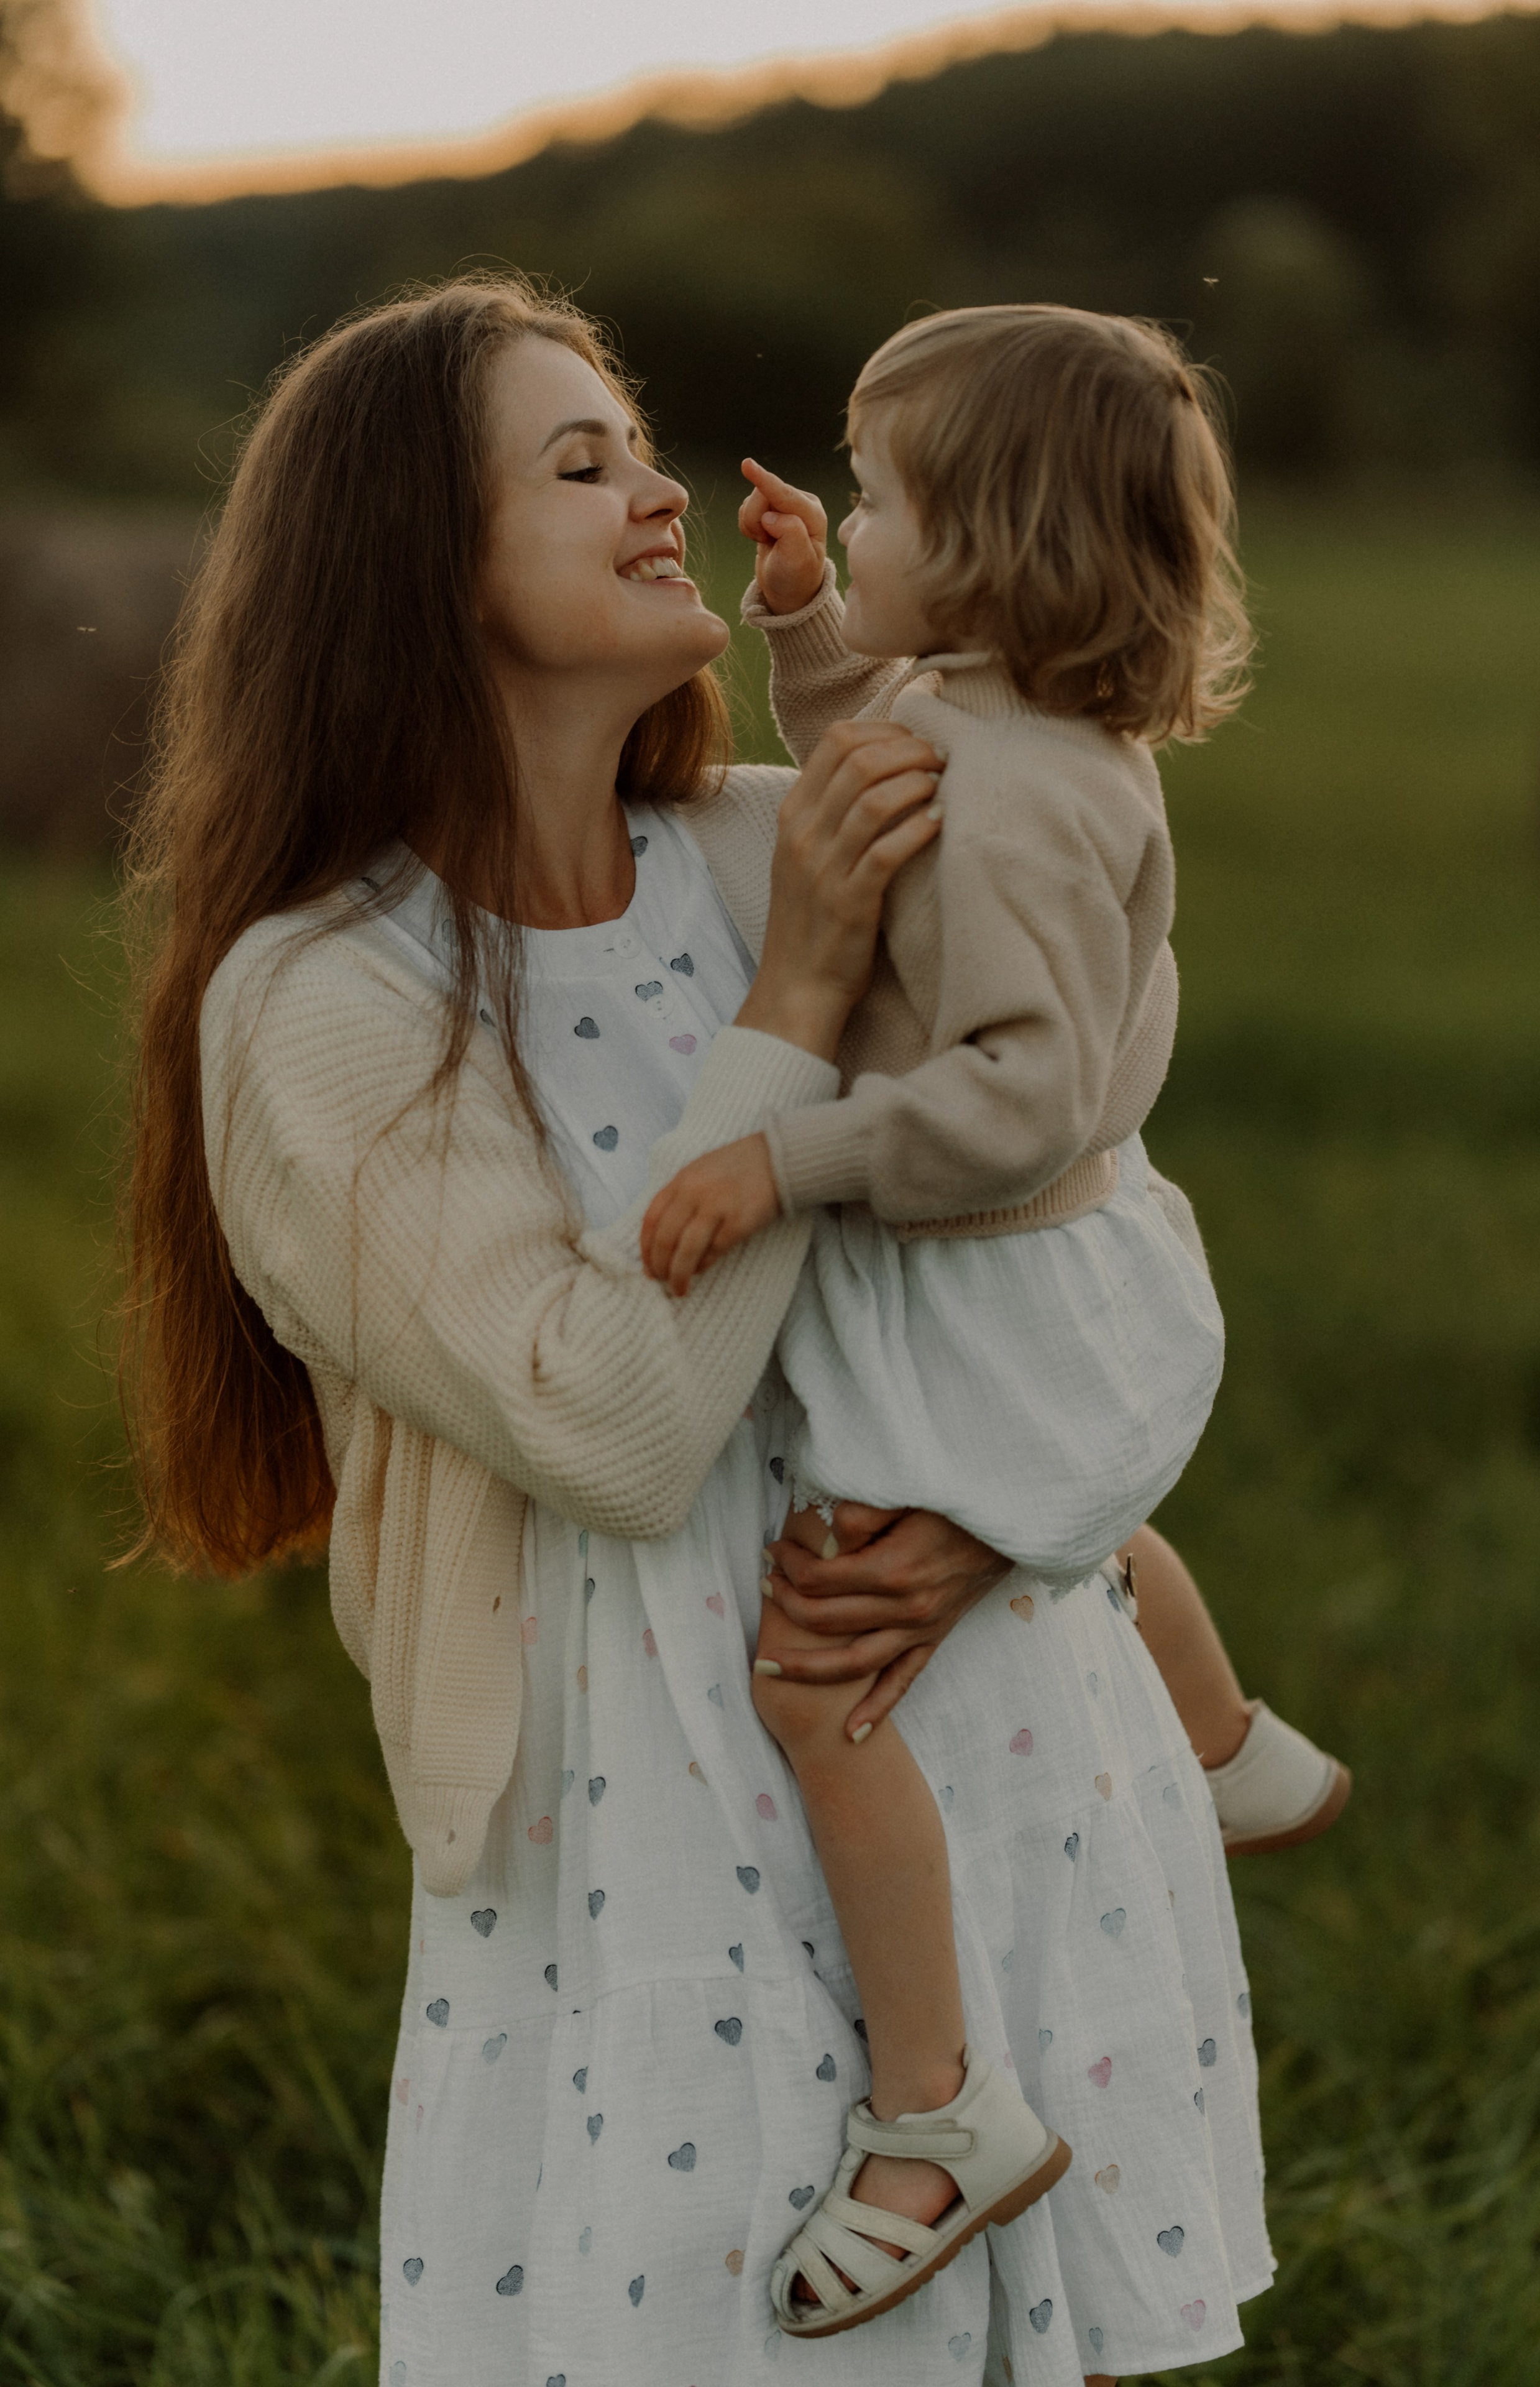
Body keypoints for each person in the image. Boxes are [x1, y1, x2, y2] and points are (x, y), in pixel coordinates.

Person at [122, 272, 1276, 2387]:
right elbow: (619, 1430)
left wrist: (1019, 1523)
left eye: (637, 444)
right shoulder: (322, 1005)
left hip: (973, 1737)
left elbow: (1091, 1217)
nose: (661, 494)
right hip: (641, 1813)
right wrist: (800, 1003)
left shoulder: (764, 847)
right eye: (581, 466)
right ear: (412, 564)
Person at [644, 305, 1346, 2338]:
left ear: (997, 547)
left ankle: (937, 2110)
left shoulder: (1027, 801)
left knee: (820, 1683)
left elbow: (1020, 1087)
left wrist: (788, 1159)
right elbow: (893, 752)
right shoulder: (1020, 728)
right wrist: (803, 632)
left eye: (875, 502)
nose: (845, 518)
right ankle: (1221, 1748)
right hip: (1058, 1265)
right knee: (1074, 1527)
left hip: (992, 1264)